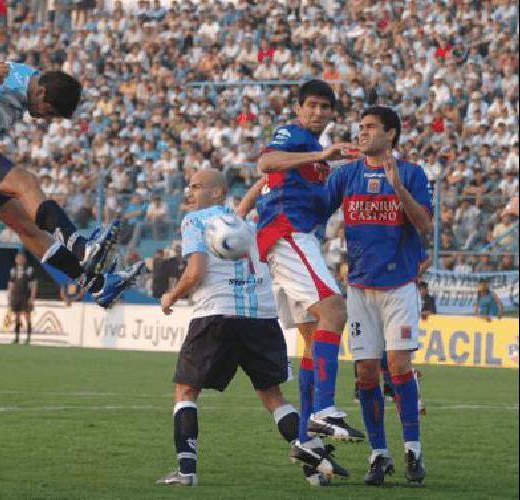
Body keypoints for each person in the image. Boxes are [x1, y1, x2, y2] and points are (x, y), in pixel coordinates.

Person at [156, 169, 348, 487]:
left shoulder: (196, 221)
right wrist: (259, 187)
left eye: (196, 186)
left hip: (216, 315)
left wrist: (170, 297)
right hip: (261, 317)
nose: (188, 192)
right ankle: (314, 464)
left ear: (217, 192)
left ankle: (186, 471)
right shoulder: (251, 224)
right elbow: (239, 215)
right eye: (188, 186)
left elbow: (196, 272)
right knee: (273, 396)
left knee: (186, 391)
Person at [0, 60, 141, 307]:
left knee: (27, 227)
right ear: (41, 92)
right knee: (26, 183)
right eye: (48, 112)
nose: (45, 119)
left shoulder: (28, 83)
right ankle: (82, 248)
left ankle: (97, 286)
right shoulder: (6, 80)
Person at [323, 106, 430, 486]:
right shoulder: (348, 175)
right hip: (359, 289)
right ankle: (379, 453)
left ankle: (413, 450)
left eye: (370, 127)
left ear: (391, 134)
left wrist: (397, 186)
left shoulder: (413, 174)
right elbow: (318, 209)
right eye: (361, 127)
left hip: (398, 286)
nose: (362, 133)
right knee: (365, 371)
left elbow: (425, 226)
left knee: (398, 367)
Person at [254, 79, 364, 445]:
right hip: (288, 235)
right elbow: (265, 162)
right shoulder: (294, 136)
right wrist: (320, 156)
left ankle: (307, 442)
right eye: (311, 105)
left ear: (332, 113)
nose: (317, 112)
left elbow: (317, 205)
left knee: (313, 337)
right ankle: (323, 410)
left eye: (324, 107)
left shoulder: (318, 157)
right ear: (299, 109)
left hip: (288, 237)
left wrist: (341, 175)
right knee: (334, 311)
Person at [6, 252, 38, 344]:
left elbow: (33, 285)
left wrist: (32, 298)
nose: (19, 260)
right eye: (18, 258)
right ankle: (17, 338)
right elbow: (10, 284)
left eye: (21, 258)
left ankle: (28, 338)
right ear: (16, 260)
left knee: (27, 316)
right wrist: (9, 296)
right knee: (16, 316)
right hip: (16, 296)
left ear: (25, 260)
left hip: (25, 296)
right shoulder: (13, 270)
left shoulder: (29, 270)